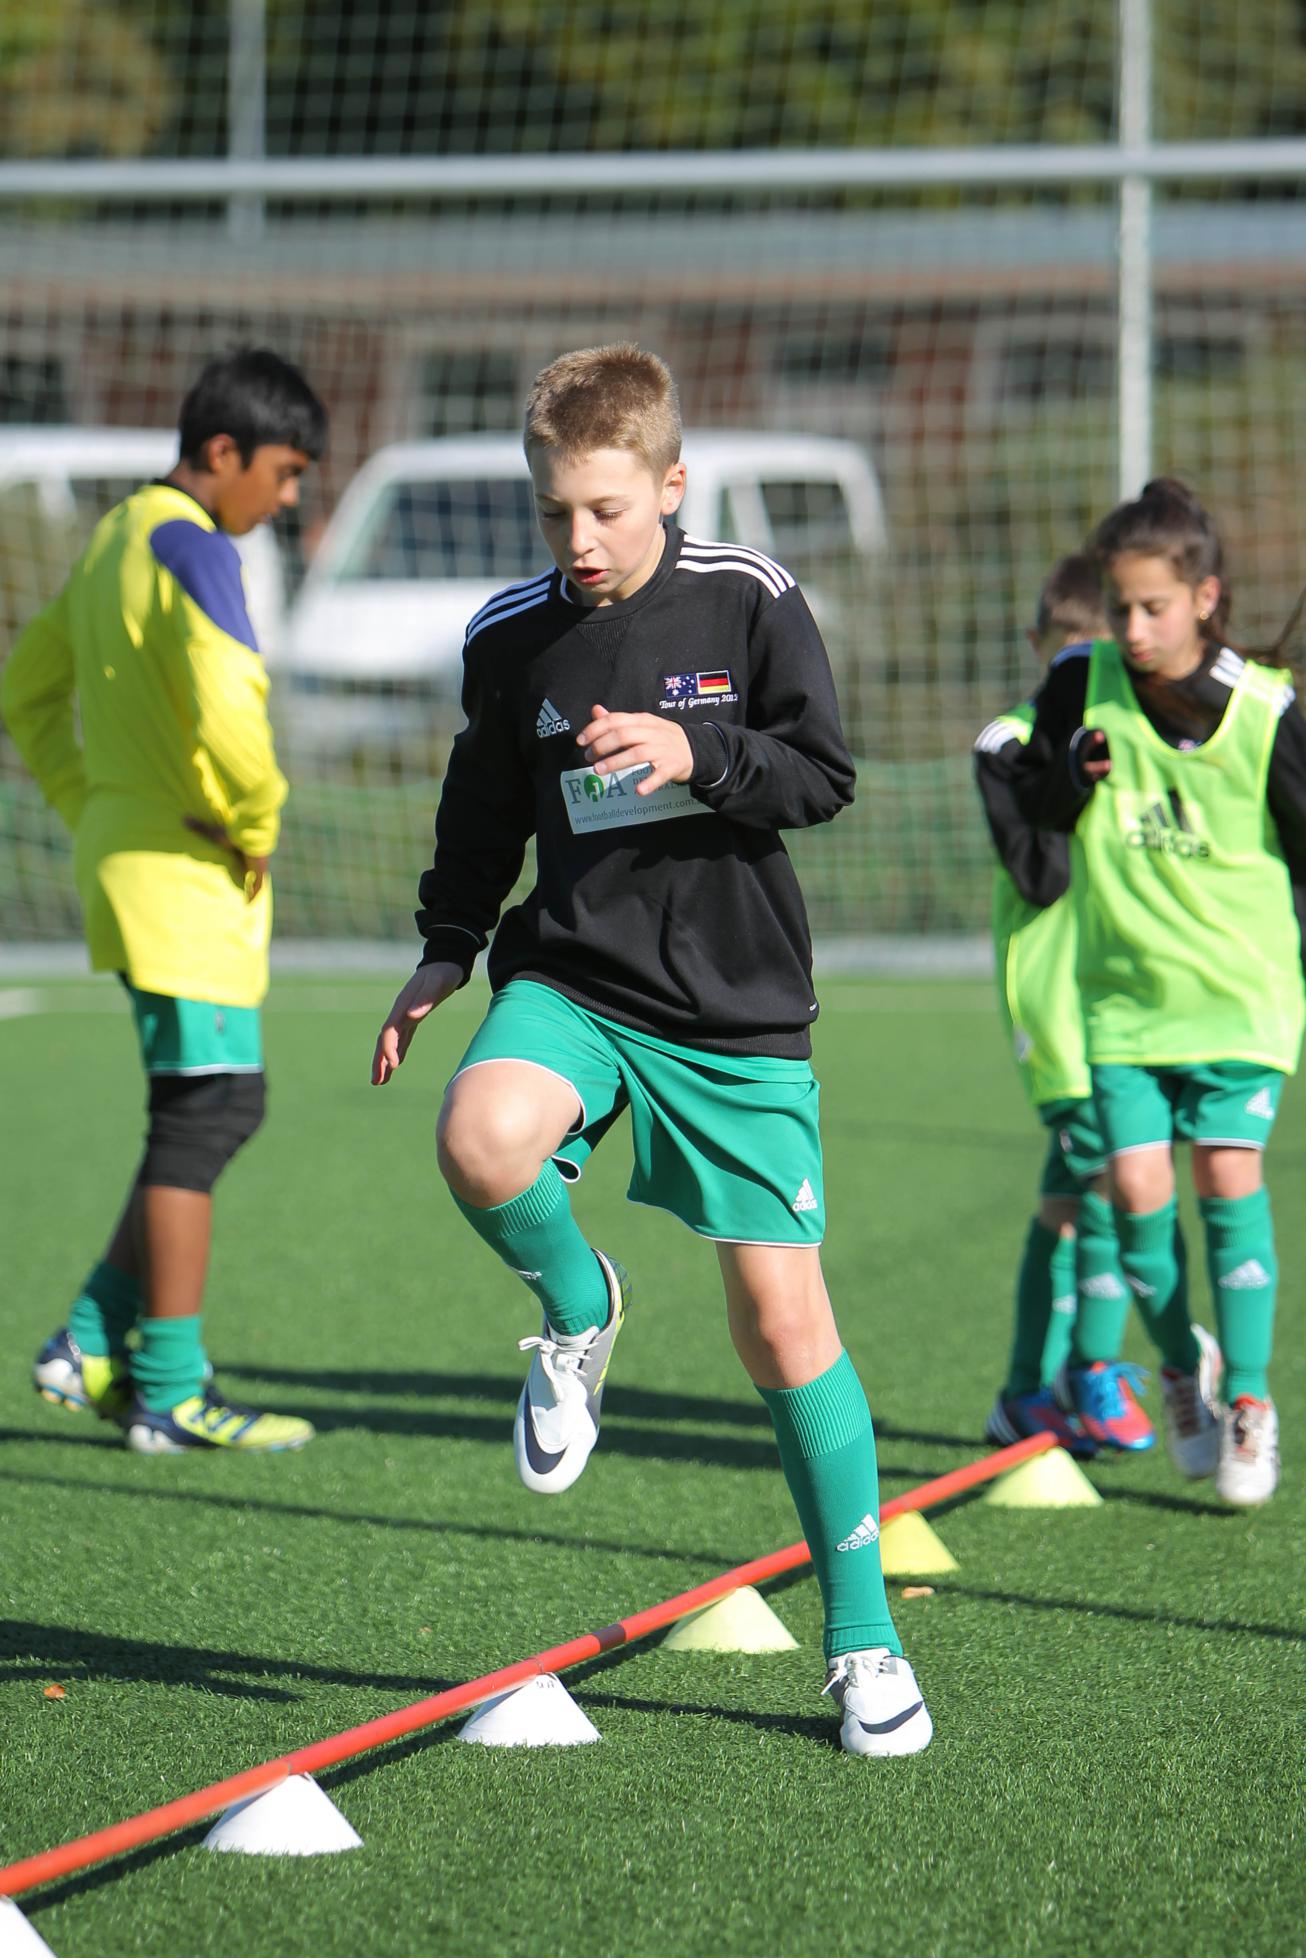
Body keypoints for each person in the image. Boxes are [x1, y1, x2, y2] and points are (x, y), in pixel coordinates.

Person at [372, 343, 931, 1756]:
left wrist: (698, 754)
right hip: (575, 975)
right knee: (476, 1132)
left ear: (668, 486)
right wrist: (445, 951)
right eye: (557, 512)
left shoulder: (749, 598)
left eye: (608, 510)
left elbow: (822, 775)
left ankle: (862, 1641)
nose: (581, 541)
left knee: (779, 1324)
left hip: (734, 1009)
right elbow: (481, 812)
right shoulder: (509, 634)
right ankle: (578, 1312)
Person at [1, 347, 327, 1453]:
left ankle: (91, 1338)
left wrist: (91, 804)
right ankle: (169, 1390)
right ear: (222, 451)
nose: (286, 500)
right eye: (283, 474)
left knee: (208, 1107)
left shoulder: (113, 537)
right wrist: (259, 820)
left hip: (132, 857)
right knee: (208, 1112)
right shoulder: (193, 544)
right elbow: (233, 701)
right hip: (188, 877)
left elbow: (23, 690)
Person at [1014, 477, 1306, 1505]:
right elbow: (1040, 821)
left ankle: (1253, 1403)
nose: (1132, 629)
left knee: (1227, 1180)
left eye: (1153, 607)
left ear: (1204, 596)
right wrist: (1071, 778)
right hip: (1125, 1003)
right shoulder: (1075, 686)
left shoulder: (1269, 712)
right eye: (1121, 606)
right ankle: (1184, 1368)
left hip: (1240, 995)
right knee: (1136, 1195)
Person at [974, 554, 1153, 1458]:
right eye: (1066, 660)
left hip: (1124, 1004)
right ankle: (1091, 1371)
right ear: (1038, 647)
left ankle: (1018, 1395)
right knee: (1117, 1186)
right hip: (1055, 1005)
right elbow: (1040, 874)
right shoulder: (1007, 743)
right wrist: (1079, 778)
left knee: (1069, 1201)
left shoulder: (1140, 732)